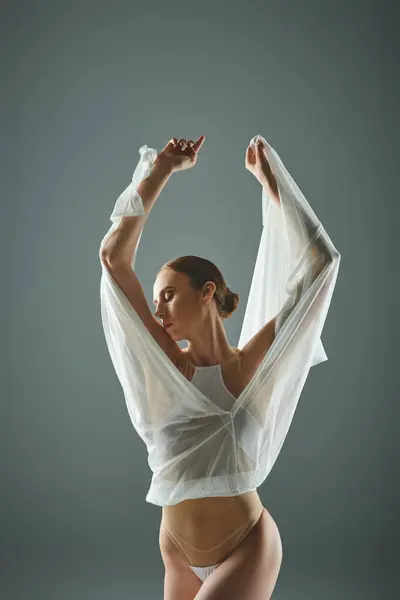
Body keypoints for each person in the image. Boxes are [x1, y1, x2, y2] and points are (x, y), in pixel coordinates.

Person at [99, 135, 340, 599]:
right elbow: (114, 260)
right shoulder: (170, 369)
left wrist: (275, 187)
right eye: (155, 301)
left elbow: (321, 266)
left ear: (207, 292)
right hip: (176, 553)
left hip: (246, 546)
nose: (158, 310)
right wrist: (162, 169)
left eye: (168, 294)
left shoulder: (249, 367)